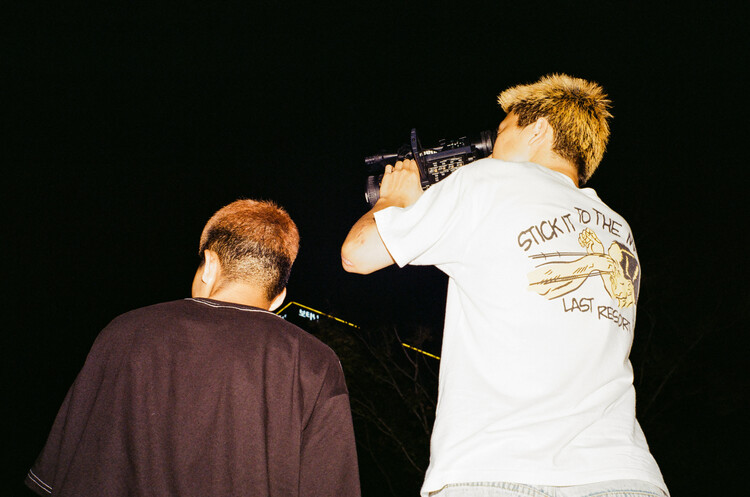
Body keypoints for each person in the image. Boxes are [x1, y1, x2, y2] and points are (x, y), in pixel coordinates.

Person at [341, 74, 669, 497]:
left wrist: (394, 197)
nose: (491, 147)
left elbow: (358, 254)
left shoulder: (489, 179)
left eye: (502, 131)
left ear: (538, 130)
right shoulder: (617, 227)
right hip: (624, 473)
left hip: (498, 469)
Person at [26, 199, 361, 497]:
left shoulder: (125, 333)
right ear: (279, 298)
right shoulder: (315, 363)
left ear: (210, 265)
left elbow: (64, 472)